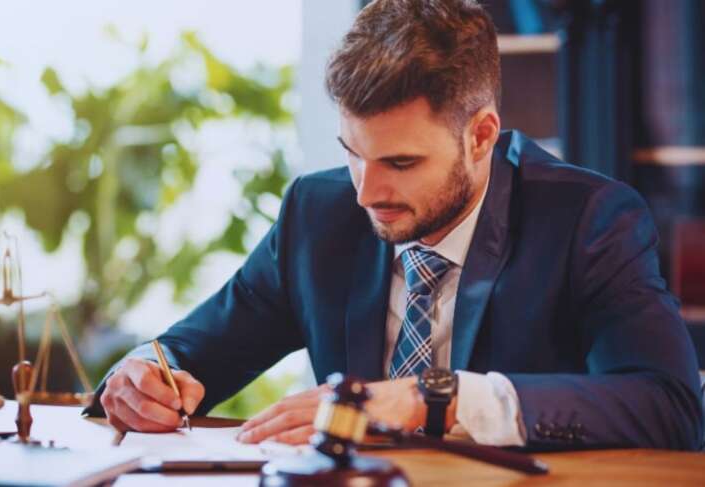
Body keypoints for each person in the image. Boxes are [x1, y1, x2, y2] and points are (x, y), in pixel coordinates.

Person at [84, 0, 703, 451]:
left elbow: (671, 407)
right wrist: (141, 375)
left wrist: (433, 398)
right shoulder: (316, 214)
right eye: (353, 153)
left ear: (482, 134)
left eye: (402, 162)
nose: (367, 191)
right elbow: (192, 352)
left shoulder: (588, 220)